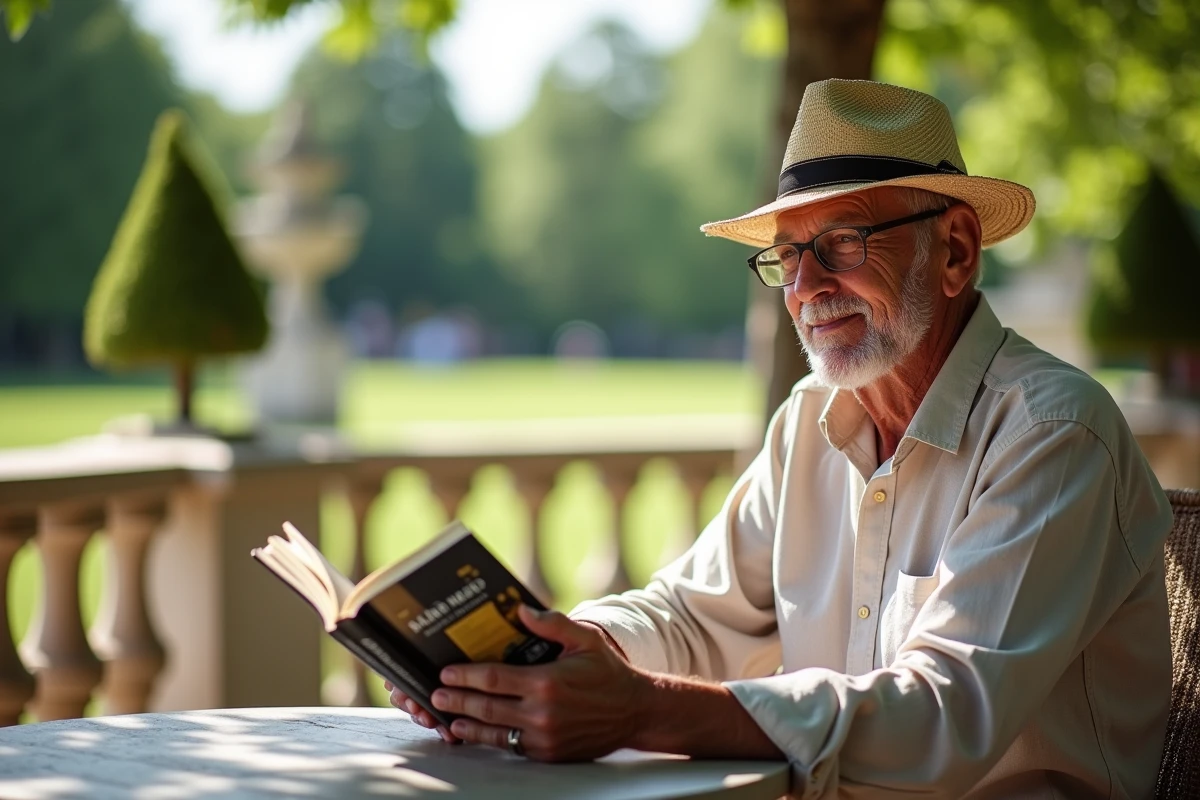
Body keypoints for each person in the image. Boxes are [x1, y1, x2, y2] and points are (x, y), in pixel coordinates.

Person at [386, 79, 1173, 798]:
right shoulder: (810, 419)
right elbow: (694, 617)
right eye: (788, 255)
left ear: (957, 250)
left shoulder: (1053, 432)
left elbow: (943, 715)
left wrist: (640, 712)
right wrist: (545, 654)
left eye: (841, 244)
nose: (804, 289)